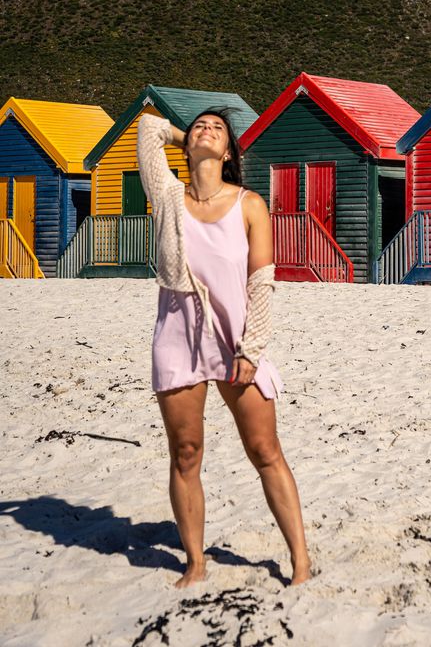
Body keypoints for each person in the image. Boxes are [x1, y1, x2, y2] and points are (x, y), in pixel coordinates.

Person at [137, 109, 311, 588]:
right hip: (177, 340)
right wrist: (184, 137)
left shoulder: (249, 204)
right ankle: (195, 562)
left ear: (231, 151)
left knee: (264, 449)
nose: (206, 130)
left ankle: (300, 560)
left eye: (217, 129)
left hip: (236, 340)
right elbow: (147, 126)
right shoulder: (168, 195)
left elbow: (261, 284)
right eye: (199, 127)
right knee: (186, 452)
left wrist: (251, 350)